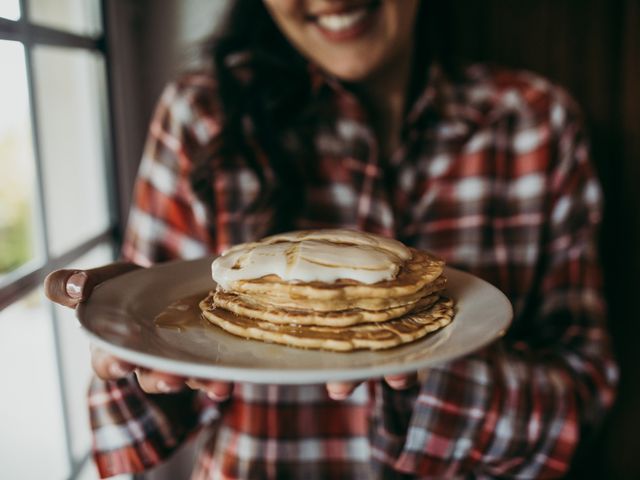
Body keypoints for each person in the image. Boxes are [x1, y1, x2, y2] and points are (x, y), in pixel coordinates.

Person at [45, 0, 617, 478]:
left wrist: (433, 372)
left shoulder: (535, 123)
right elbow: (132, 442)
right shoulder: (202, 119)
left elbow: (584, 398)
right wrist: (125, 340)